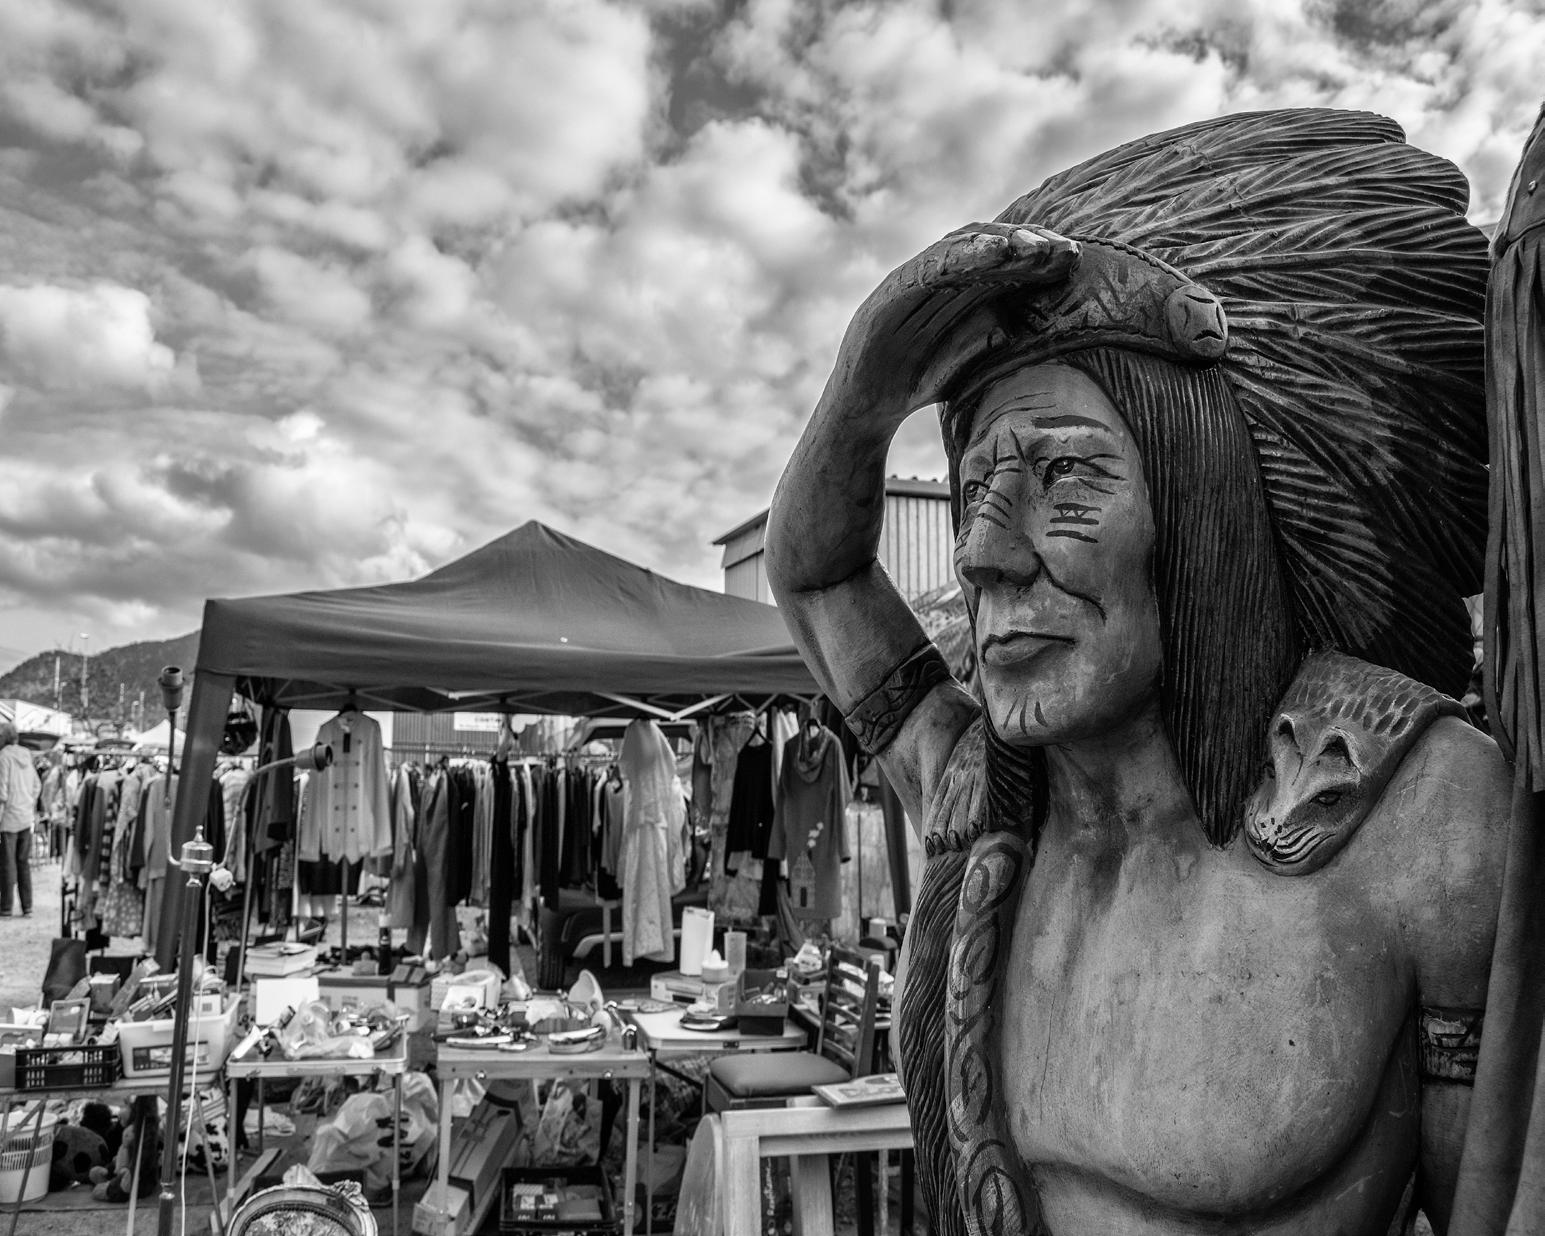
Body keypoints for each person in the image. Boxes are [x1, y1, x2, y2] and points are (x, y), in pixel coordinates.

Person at [765, 109, 1513, 1234]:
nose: (981, 553)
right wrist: (862, 395)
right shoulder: (985, 808)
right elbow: (817, 580)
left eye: (1064, 479)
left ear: (1204, 510)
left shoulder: (1418, 819)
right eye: (973, 493)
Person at [0, 720, 42, 918]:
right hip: (26, 816)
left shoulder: (4, 757)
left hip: (9, 817)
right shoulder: (27, 755)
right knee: (23, 863)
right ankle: (27, 907)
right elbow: (37, 785)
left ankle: (6, 907)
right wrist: (29, 802)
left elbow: (2, 791)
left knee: (7, 864)